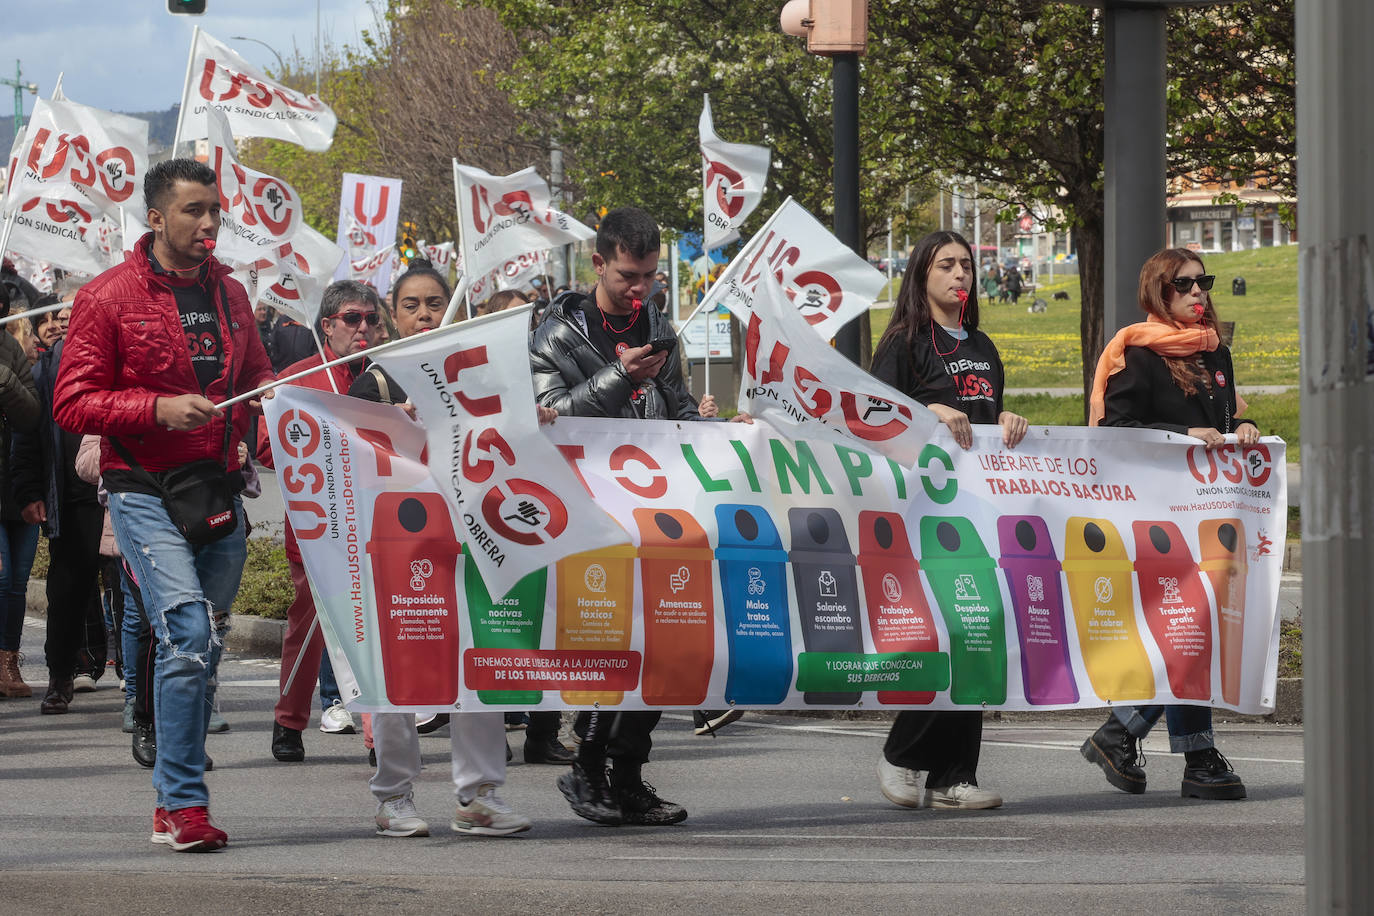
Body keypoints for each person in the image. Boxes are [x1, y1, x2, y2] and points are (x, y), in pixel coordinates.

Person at [53, 158, 276, 852]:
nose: (209, 222)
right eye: (193, 210)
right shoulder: (106, 297)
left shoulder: (233, 296)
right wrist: (155, 408)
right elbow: (71, 402)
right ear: (155, 217)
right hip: (142, 489)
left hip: (216, 490)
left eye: (214, 209)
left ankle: (170, 797)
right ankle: (183, 804)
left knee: (201, 648)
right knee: (183, 631)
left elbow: (256, 374)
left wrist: (271, 412)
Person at [531, 206, 749, 827]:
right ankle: (588, 767)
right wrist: (619, 377)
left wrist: (719, 432)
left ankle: (626, 774)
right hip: (588, 509)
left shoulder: (658, 322)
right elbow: (550, 414)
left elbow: (678, 410)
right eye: (629, 275)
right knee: (615, 645)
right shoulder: (555, 335)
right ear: (598, 263)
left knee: (663, 643)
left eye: (650, 276)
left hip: (658, 507)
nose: (640, 288)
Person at [349, 260, 533, 838]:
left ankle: (479, 795)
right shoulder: (374, 382)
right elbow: (351, 460)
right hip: (401, 548)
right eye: (412, 305)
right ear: (392, 316)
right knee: (397, 669)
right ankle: (394, 797)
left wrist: (537, 416)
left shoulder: (475, 378)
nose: (425, 313)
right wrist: (389, 424)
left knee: (478, 659)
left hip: (472, 538)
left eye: (434, 302)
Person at [1079, 247, 1252, 802]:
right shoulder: (1137, 351)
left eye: (1204, 282)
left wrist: (1242, 425)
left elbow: (1222, 420)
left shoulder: (1215, 353)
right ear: (1160, 291)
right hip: (1151, 514)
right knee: (1186, 625)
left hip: (1206, 512)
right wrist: (1178, 437)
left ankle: (1124, 734)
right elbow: (1115, 428)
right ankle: (1191, 755)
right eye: (1184, 284)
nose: (1198, 292)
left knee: (1187, 626)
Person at [870, 230, 1027, 811]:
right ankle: (902, 753)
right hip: (919, 514)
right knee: (943, 631)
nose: (960, 275)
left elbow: (983, 422)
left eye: (966, 265)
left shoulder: (983, 346)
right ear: (922, 275)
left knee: (978, 631)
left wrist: (1007, 419)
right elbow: (871, 415)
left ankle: (953, 777)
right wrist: (925, 410)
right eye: (946, 265)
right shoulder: (904, 342)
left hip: (978, 515)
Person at [257, 280, 385, 762]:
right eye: (353, 318)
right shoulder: (296, 379)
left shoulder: (388, 373)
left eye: (372, 318)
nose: (364, 328)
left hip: (376, 521)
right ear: (328, 325)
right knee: (307, 627)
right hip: (316, 526)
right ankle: (288, 720)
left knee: (373, 625)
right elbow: (269, 448)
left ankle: (378, 733)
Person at [0, 281, 42, 699]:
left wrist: (5, 380)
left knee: (16, 581)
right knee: (1, 577)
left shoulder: (9, 349)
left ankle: (8, 661)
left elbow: (31, 414)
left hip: (16, 482)